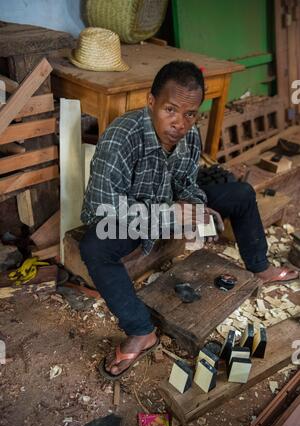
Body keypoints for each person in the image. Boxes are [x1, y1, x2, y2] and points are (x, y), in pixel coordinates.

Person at [80, 61, 298, 380]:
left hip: (170, 209)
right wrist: (171, 215)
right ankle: (142, 331)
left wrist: (196, 209)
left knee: (241, 193)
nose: (180, 123)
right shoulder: (122, 137)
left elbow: (188, 183)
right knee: (94, 247)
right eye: (170, 109)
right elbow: (102, 209)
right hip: (130, 218)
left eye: (190, 113)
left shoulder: (189, 136)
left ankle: (259, 267)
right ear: (151, 102)